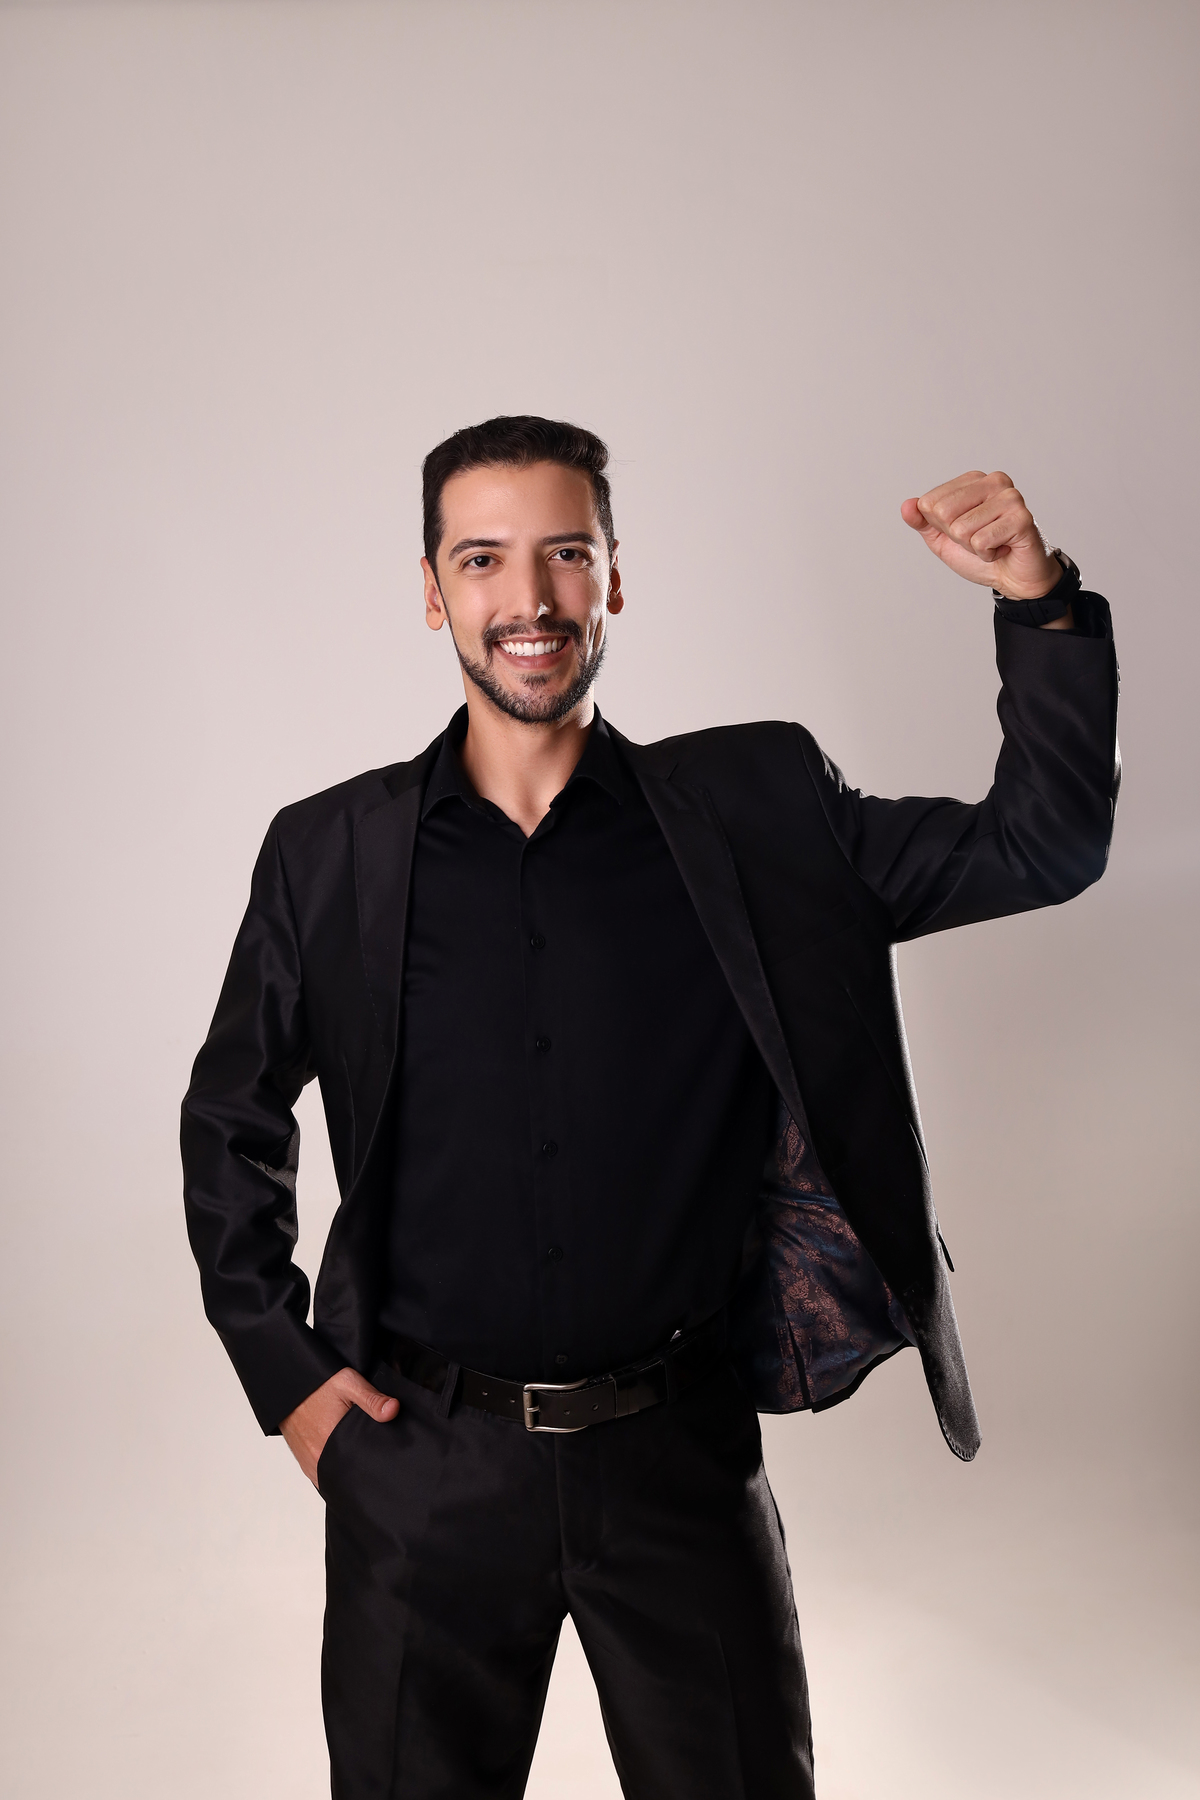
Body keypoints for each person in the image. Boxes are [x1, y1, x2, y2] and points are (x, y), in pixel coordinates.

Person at [181, 416, 1119, 1799]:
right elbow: (230, 1120)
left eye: (566, 553)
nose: (530, 598)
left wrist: (1039, 603)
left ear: (614, 576)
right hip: (420, 1469)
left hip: (679, 1459)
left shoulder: (757, 811)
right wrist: (293, 1384)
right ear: (432, 592)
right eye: (484, 560)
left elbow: (1046, 844)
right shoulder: (329, 853)